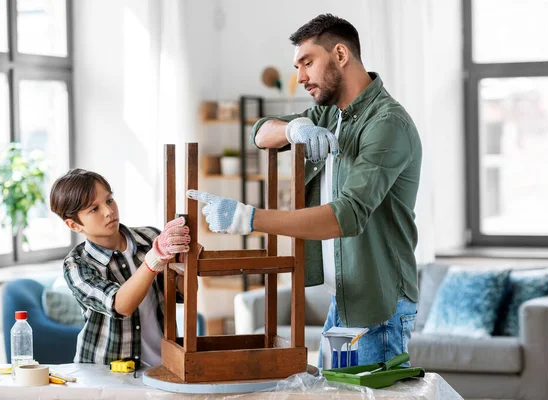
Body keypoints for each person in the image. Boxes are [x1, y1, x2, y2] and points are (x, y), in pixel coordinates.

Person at [187, 13, 422, 368]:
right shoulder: (332, 115)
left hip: (378, 307)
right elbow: (261, 133)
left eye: (307, 62)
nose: (300, 77)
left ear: (340, 55)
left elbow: (347, 215)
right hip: (343, 300)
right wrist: (294, 128)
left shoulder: (386, 124)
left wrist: (249, 218)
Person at [50, 168, 192, 366]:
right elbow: (120, 306)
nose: (109, 212)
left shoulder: (151, 238)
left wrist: (186, 263)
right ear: (74, 225)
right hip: (105, 372)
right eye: (94, 209)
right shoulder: (76, 265)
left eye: (109, 200)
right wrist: (153, 260)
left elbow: (183, 294)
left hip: (165, 365)